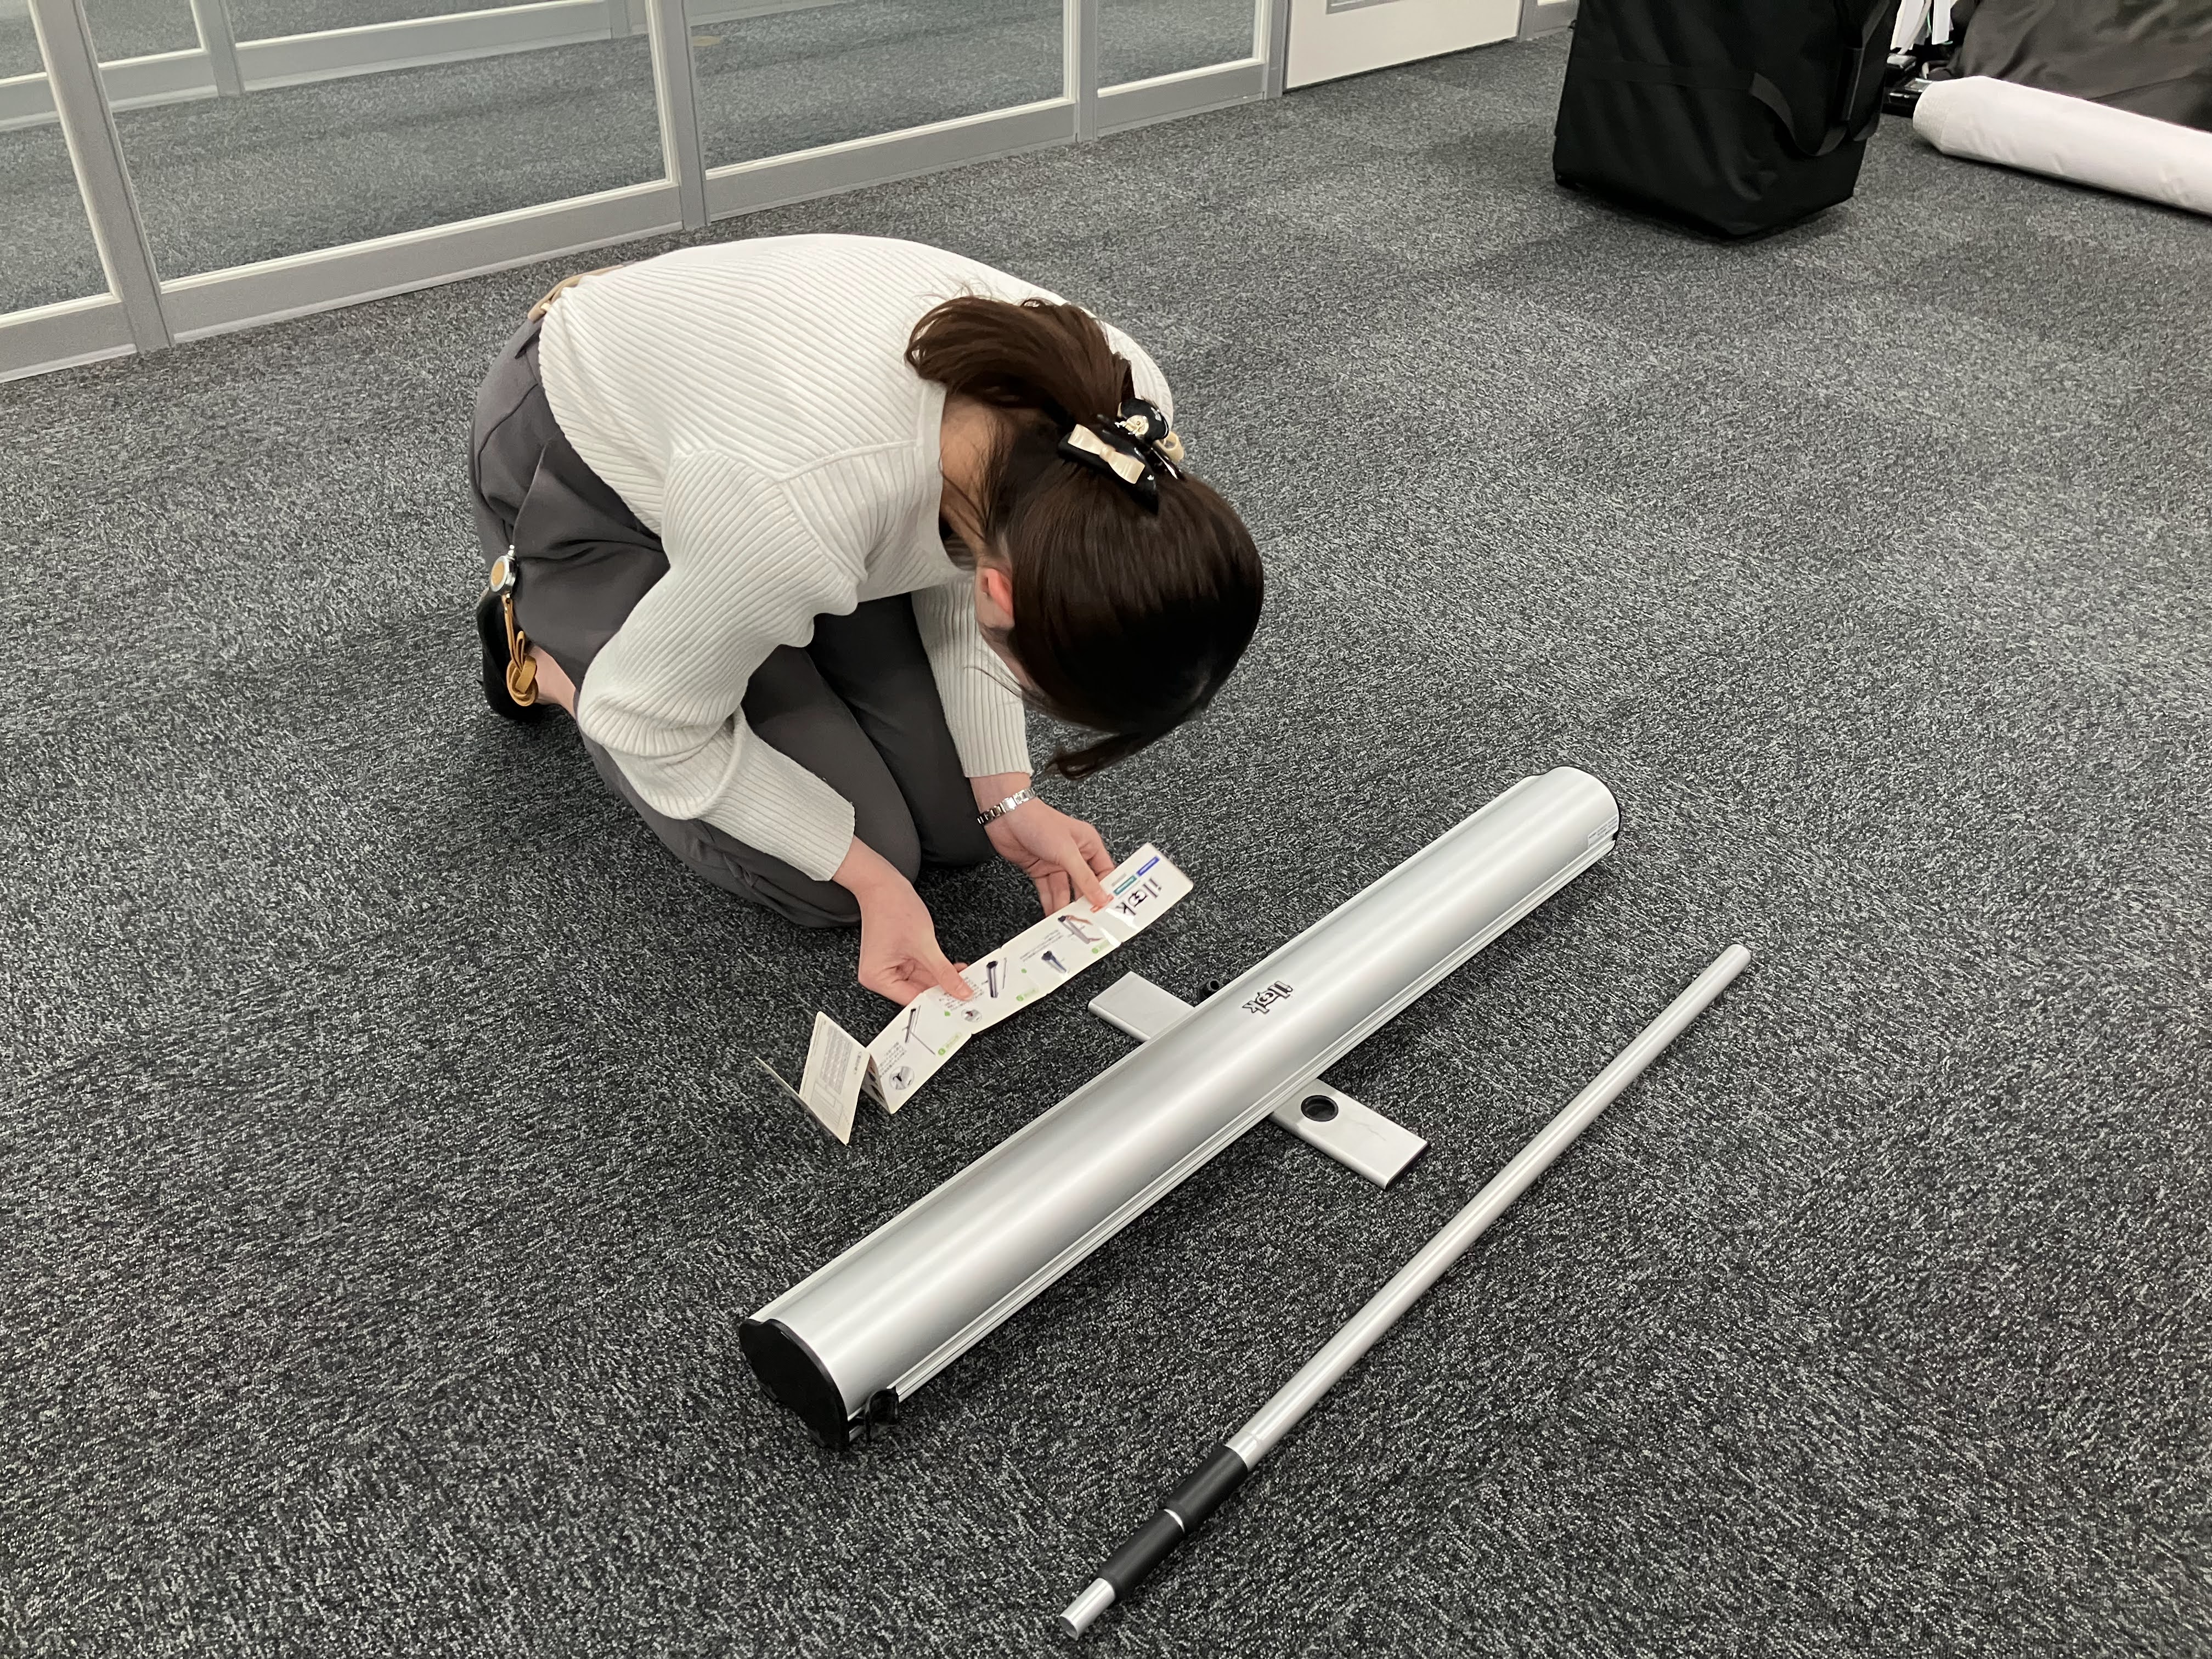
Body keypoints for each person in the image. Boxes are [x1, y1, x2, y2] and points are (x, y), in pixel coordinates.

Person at [469, 234, 1262, 1006]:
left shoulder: (1129, 428)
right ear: (1000, 592)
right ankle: (550, 655)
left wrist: (1008, 799)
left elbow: (984, 544)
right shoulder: (796, 514)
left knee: (961, 829)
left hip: (771, 455)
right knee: (829, 880)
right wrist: (873, 883)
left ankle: (747, 617)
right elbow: (648, 725)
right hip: (582, 448)